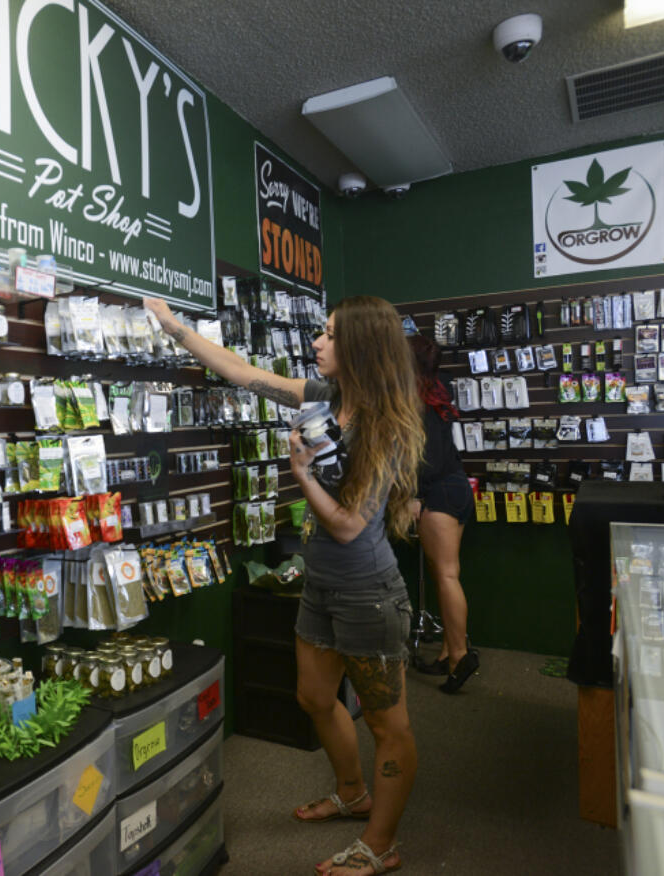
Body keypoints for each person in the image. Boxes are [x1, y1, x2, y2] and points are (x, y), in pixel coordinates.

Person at [144, 295, 423, 876]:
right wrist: (174, 328)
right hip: (320, 584)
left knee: (387, 726)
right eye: (319, 332)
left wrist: (299, 473)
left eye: (328, 335)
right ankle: (352, 792)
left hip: (369, 591)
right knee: (314, 699)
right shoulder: (328, 398)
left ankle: (381, 844)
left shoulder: (383, 425)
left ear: (360, 348)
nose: (317, 342)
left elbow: (348, 526)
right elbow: (245, 373)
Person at [407, 333, 479, 694]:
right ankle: (449, 650)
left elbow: (427, 457)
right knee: (444, 573)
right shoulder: (441, 386)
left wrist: (415, 495)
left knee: (447, 575)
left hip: (438, 491)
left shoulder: (412, 399)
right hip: (457, 487)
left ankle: (460, 657)